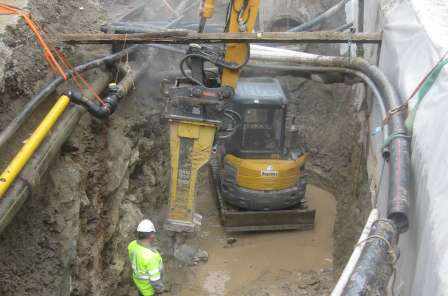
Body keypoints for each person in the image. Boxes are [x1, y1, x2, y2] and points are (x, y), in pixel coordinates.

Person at [128, 219, 165, 296]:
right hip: (149, 291)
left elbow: (139, 252)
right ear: (152, 235)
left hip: (139, 284)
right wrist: (160, 291)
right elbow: (155, 281)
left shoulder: (132, 245)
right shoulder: (151, 257)